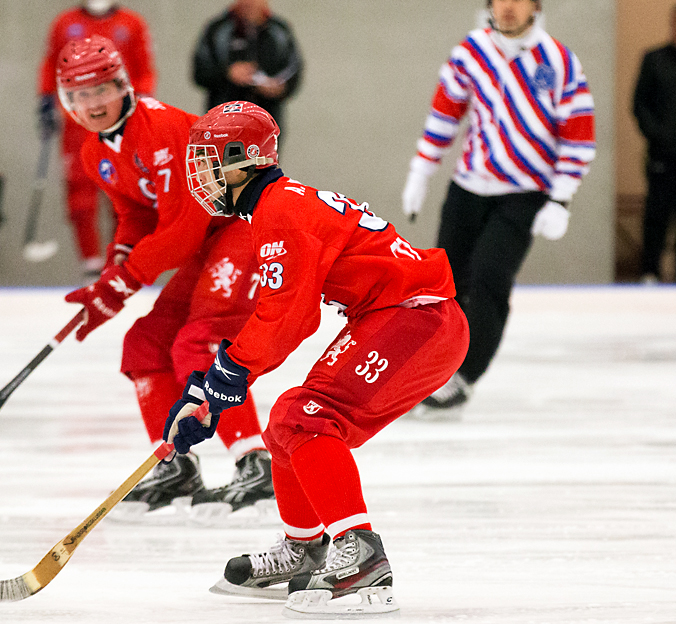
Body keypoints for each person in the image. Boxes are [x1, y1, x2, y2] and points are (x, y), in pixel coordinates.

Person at [161, 101, 470, 617]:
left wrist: (226, 374)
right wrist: (213, 387)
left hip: (416, 318)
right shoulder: (277, 205)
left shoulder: (279, 211)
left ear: (246, 161)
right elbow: (284, 316)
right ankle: (305, 550)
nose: (201, 175)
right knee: (290, 417)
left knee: (306, 418)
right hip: (402, 317)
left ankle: (362, 557)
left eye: (210, 162)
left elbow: (288, 316)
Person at [55, 37, 274, 518]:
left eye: (100, 90)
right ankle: (176, 464)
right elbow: (134, 216)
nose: (91, 105)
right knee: (145, 344)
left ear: (122, 86)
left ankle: (256, 461)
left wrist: (122, 282)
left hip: (245, 229)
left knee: (199, 343)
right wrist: (114, 271)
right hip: (208, 242)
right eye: (79, 95)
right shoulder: (96, 153)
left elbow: (183, 227)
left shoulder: (164, 128)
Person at [400, 0, 596, 419]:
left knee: (490, 277)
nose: (508, 6)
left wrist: (562, 197)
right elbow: (444, 116)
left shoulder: (559, 61)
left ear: (536, 6)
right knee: (445, 281)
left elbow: (578, 134)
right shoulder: (470, 53)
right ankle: (432, 368)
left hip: (525, 192)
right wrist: (421, 171)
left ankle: (465, 377)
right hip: (469, 187)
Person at [37, 1, 156, 275]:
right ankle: (90, 260)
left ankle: (121, 257)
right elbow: (50, 64)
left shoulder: (131, 23)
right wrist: (46, 99)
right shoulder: (65, 23)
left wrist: (141, 103)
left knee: (124, 189)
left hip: (120, 121)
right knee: (80, 192)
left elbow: (144, 70)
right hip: (78, 122)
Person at [192, 0, 302, 133]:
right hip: (222, 122)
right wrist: (227, 73)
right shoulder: (218, 29)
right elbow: (200, 72)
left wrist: (279, 88)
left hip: (267, 122)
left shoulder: (280, 31)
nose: (250, 3)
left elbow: (294, 71)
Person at [633, 3, 676, 285]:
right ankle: (650, 272)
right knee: (656, 215)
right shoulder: (654, 59)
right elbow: (639, 104)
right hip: (663, 155)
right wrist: (658, 134)